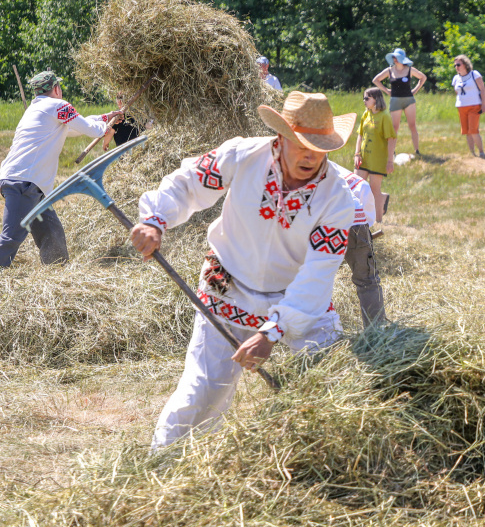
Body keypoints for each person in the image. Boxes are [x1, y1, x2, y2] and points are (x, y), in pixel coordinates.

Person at [130, 91, 358, 448]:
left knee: (329, 378)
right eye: (302, 143)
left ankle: (322, 463)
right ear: (280, 137)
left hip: (294, 299)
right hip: (228, 288)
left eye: (321, 146)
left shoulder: (338, 198)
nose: (311, 155)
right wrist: (155, 220)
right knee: (204, 390)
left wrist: (272, 332)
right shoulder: (243, 154)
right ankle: (163, 462)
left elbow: (319, 274)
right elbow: (189, 182)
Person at [1, 70, 120, 268]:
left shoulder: (38, 109)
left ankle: (57, 272)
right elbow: (88, 129)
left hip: (32, 185)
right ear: (56, 88)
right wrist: (105, 128)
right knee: (10, 238)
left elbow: (74, 127)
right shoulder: (58, 106)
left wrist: (104, 117)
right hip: (24, 182)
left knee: (51, 232)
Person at [328, 159, 387, 328]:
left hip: (321, 223)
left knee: (317, 279)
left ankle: (324, 334)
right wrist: (365, 228)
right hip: (354, 222)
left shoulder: (294, 166)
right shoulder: (332, 166)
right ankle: (376, 331)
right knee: (367, 280)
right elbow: (363, 188)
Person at [353, 87, 395, 233]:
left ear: (375, 99)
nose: (364, 101)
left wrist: (390, 160)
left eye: (366, 98)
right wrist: (357, 153)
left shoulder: (384, 116)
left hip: (378, 159)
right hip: (364, 157)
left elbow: (391, 139)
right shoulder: (366, 113)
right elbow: (360, 135)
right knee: (357, 186)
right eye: (364, 98)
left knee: (373, 190)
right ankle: (357, 219)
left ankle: (378, 221)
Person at [372, 47, 427, 156]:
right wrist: (386, 90)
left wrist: (415, 90)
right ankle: (392, 152)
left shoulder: (410, 69)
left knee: (412, 125)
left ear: (402, 58)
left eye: (396, 57)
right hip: (395, 100)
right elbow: (375, 80)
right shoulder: (390, 70)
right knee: (394, 127)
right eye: (393, 57)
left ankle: (417, 151)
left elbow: (423, 77)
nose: (394, 59)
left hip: (409, 100)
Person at [450, 55, 485, 157]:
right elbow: (457, 92)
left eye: (458, 64)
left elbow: (482, 89)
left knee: (473, 130)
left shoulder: (474, 74)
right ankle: (472, 153)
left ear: (465, 64)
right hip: (461, 107)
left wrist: (483, 104)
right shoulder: (456, 78)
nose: (456, 67)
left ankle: (481, 152)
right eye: (455, 65)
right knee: (467, 132)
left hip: (474, 106)